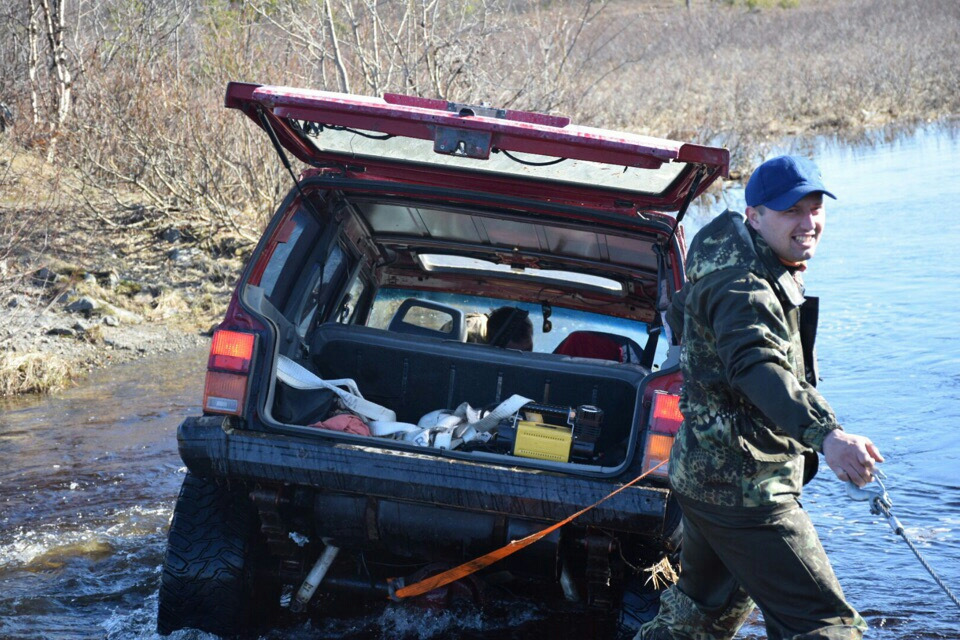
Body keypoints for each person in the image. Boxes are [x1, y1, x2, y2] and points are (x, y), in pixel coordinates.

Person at [637, 156, 884, 640]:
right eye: (792, 211)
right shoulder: (743, 284)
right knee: (825, 625)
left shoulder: (733, 257)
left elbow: (684, 315)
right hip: (746, 490)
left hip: (706, 474)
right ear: (755, 215)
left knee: (698, 618)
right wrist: (828, 436)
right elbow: (756, 364)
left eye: (815, 208)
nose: (808, 222)